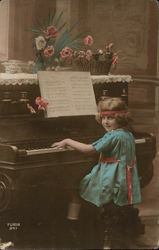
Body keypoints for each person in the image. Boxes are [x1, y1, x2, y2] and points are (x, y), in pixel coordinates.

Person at [51, 97, 142, 248]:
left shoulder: (113, 136)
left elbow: (89, 149)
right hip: (124, 181)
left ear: (120, 117)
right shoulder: (127, 134)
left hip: (111, 180)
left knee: (77, 191)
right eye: (104, 117)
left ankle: (72, 227)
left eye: (110, 118)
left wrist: (67, 141)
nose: (106, 122)